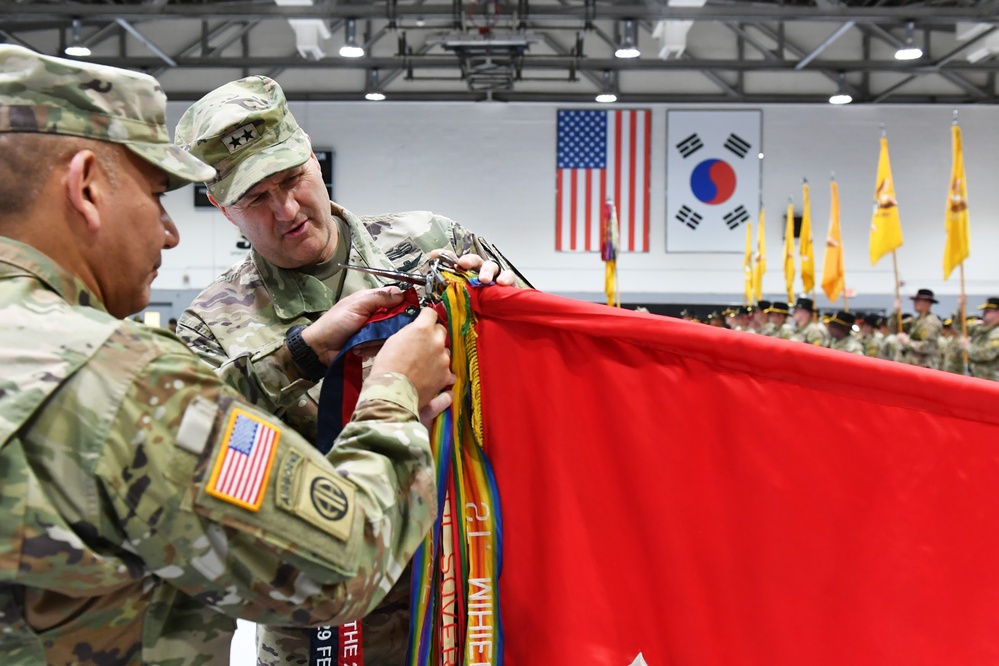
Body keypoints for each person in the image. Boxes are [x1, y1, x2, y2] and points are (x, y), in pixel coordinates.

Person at [0, 45, 454, 663]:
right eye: (157, 193)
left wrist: (303, 352)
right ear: (84, 187)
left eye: (293, 179)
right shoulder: (125, 374)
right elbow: (339, 561)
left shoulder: (435, 242)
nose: (169, 230)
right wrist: (396, 393)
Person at [172, 75, 529, 664]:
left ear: (312, 154)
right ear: (220, 206)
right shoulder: (210, 325)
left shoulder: (432, 241)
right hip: (317, 624)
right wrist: (301, 352)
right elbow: (190, 452)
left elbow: (543, 364)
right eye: (256, 198)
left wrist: (501, 307)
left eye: (292, 180)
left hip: (464, 596)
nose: (285, 210)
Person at [895, 288, 942, 369]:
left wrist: (907, 342)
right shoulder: (916, 321)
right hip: (913, 365)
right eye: (915, 301)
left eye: (918, 300)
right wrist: (896, 312)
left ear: (927, 302)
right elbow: (894, 328)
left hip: (924, 367)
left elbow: (928, 346)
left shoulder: (931, 322)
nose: (915, 303)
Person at [962, 297, 999, 381]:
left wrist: (968, 347)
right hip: (980, 377)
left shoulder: (997, 332)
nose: (984, 313)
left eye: (988, 311)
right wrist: (961, 307)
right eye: (984, 310)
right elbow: (958, 328)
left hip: (992, 380)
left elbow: (988, 354)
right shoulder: (983, 328)